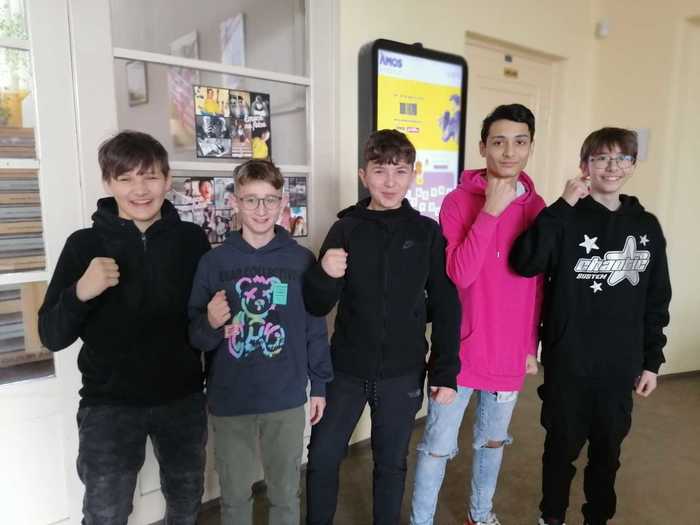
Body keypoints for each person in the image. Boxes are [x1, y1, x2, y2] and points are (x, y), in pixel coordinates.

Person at [38, 130, 210, 525]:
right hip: (108, 404)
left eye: (150, 176)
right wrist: (80, 292)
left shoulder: (191, 240)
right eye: (126, 178)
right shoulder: (83, 245)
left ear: (167, 180)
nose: (140, 189)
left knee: (186, 503)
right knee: (105, 513)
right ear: (107, 183)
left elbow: (205, 320)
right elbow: (51, 334)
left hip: (182, 400)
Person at [509, 127, 672, 525]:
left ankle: (597, 517)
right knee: (560, 448)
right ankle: (552, 516)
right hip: (569, 361)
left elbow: (656, 299)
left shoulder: (646, 227)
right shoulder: (565, 218)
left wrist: (651, 362)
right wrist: (562, 205)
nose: (611, 167)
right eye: (601, 158)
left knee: (608, 452)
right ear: (585, 165)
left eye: (621, 158)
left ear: (632, 165)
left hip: (620, 365)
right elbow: (525, 262)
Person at [303, 129, 461, 525]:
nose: (389, 182)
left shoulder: (426, 232)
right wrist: (323, 274)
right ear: (363, 175)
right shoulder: (346, 229)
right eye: (379, 171)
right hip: (345, 370)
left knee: (391, 464)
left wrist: (445, 371)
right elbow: (317, 304)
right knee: (322, 457)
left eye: (400, 171)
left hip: (403, 372)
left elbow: (446, 304)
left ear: (413, 176)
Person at [409, 103, 545, 525]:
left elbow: (538, 284)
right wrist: (490, 211)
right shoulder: (456, 202)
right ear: (483, 147)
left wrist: (530, 345)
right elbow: (460, 274)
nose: (509, 152)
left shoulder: (538, 207)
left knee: (492, 443)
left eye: (519, 142)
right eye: (499, 142)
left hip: (509, 352)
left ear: (530, 147)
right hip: (461, 352)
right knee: (437, 447)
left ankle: (480, 515)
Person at [188, 159, 333, 525]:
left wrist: (320, 384)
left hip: (284, 397)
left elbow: (314, 327)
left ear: (282, 203)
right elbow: (196, 336)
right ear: (235, 202)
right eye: (251, 199)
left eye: (270, 199)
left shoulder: (301, 261)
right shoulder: (214, 263)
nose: (261, 209)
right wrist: (211, 322)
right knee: (235, 497)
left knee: (285, 494)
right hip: (230, 398)